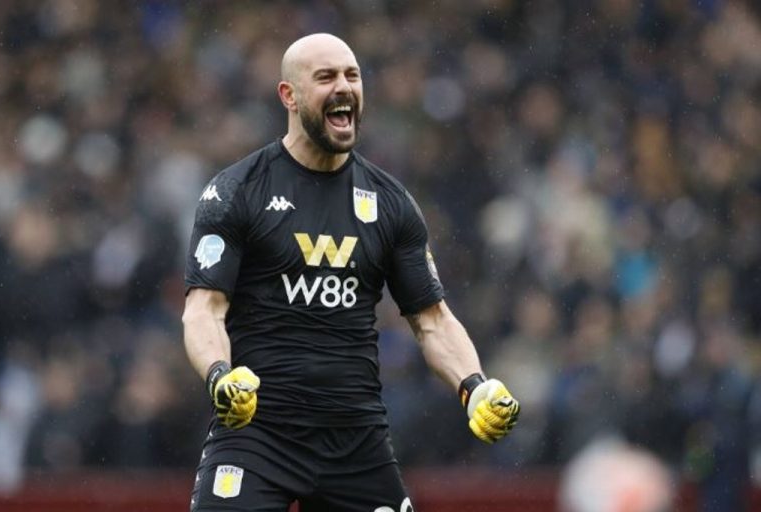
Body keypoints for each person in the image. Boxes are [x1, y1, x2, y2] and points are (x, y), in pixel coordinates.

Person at [182, 33, 520, 512]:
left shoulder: (391, 203)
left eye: (352, 75)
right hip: (257, 436)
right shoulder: (239, 191)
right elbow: (202, 311)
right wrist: (220, 375)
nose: (344, 87)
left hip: (355, 444)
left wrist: (475, 385)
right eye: (325, 77)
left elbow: (432, 319)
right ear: (289, 96)